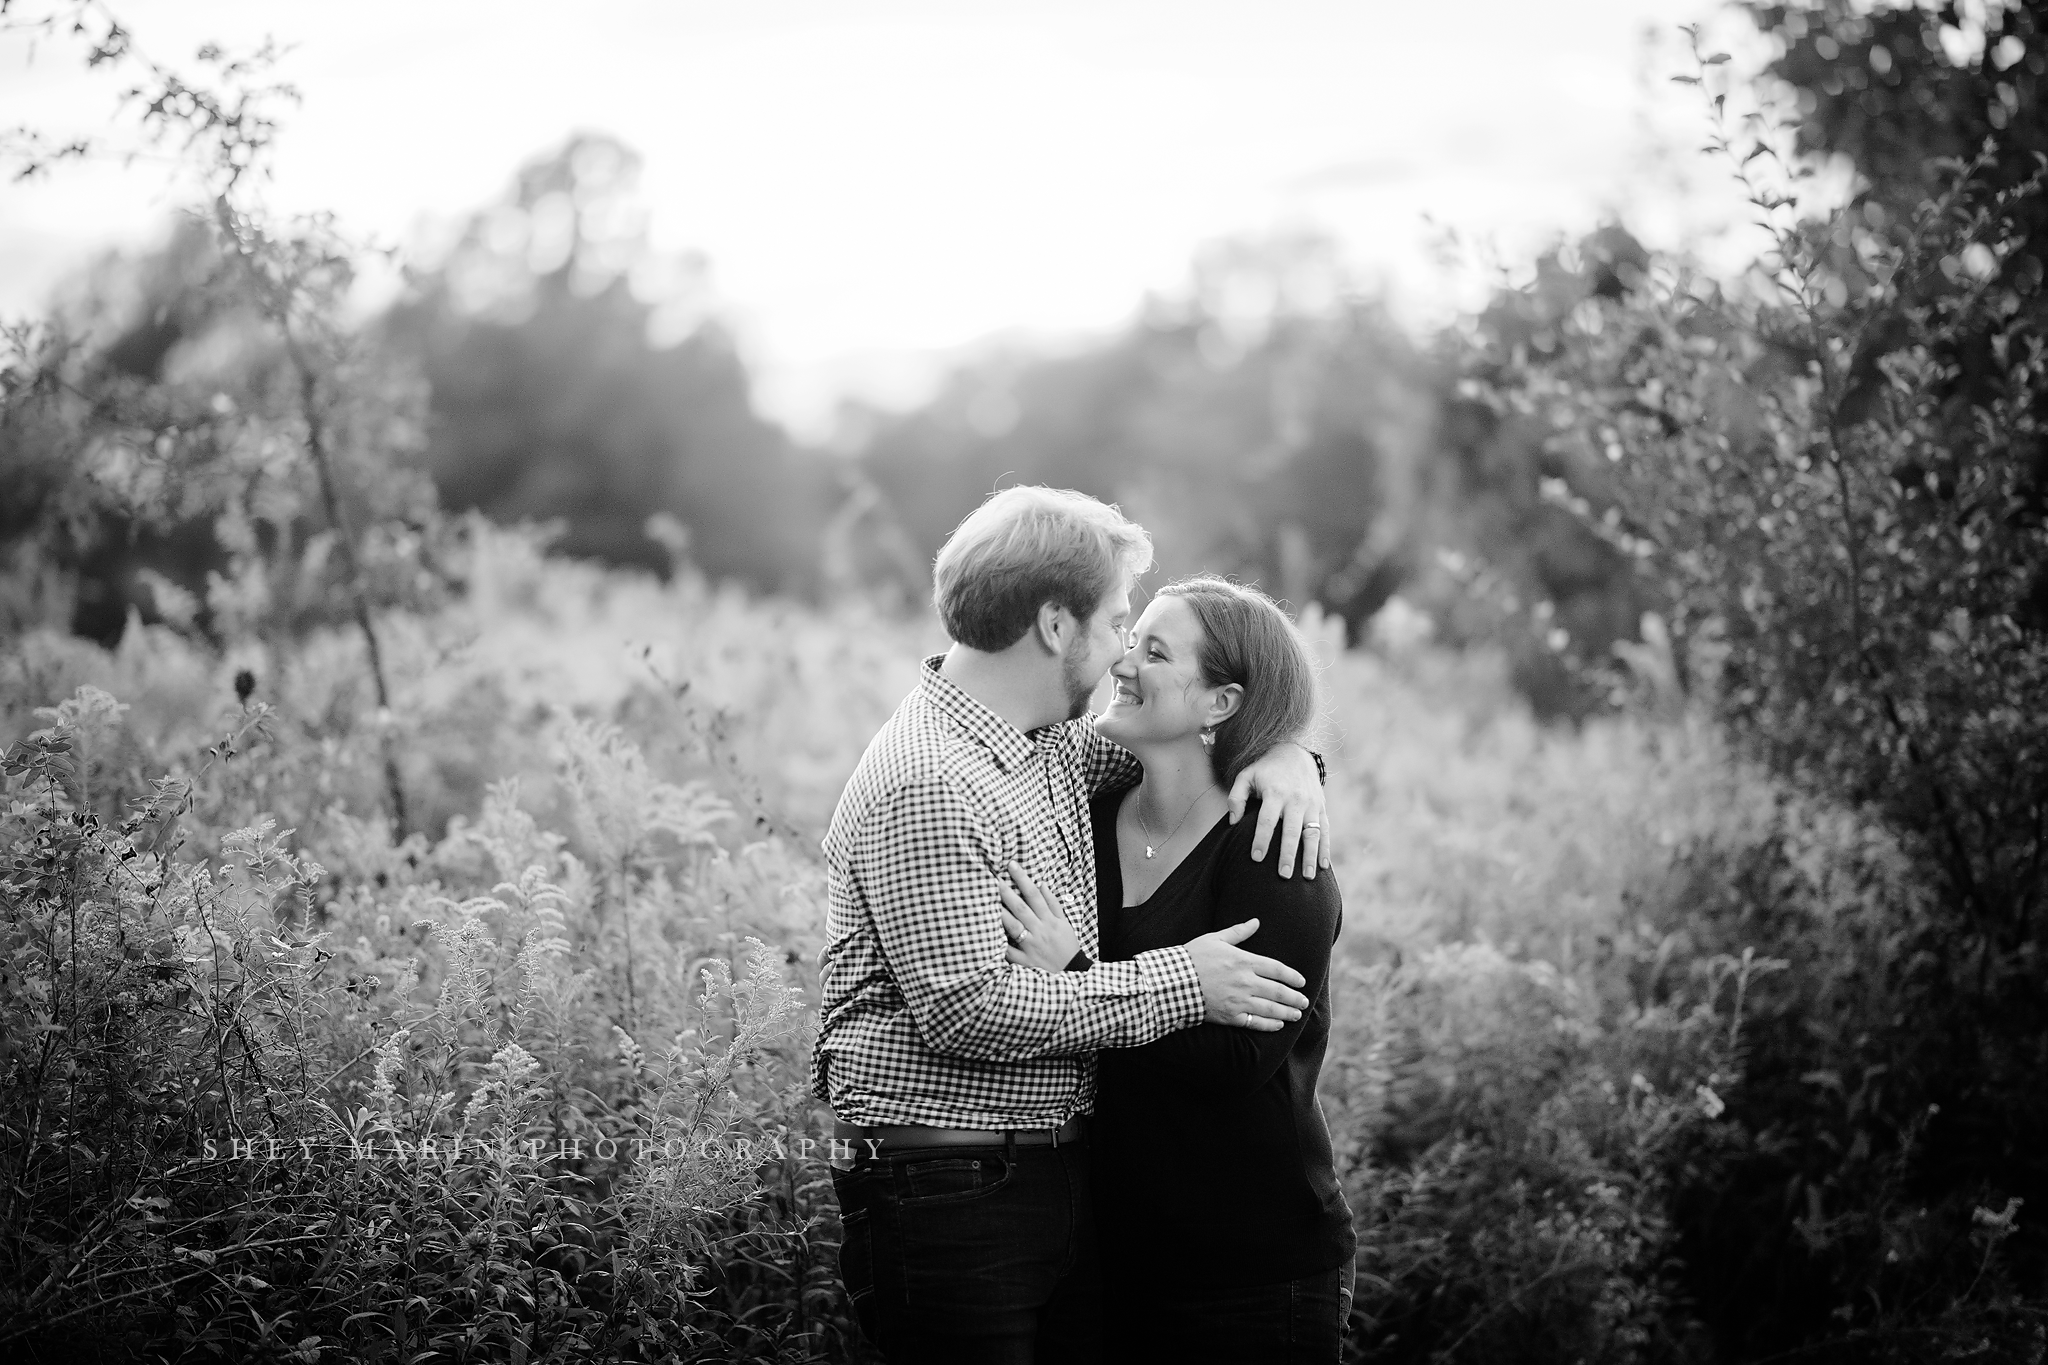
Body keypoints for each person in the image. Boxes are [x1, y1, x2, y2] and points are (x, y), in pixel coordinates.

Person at [814, 487, 1333, 1365]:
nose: (1124, 648)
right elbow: (969, 1009)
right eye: (1120, 620)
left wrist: (1291, 755)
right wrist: (1183, 981)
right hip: (953, 1185)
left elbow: (1206, 746)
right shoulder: (932, 780)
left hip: (1056, 1180)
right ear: (1058, 626)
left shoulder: (1046, 742)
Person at [1001, 575, 1355, 1363]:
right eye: (1132, 640)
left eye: (1154, 651)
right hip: (1111, 1259)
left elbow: (1236, 1061)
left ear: (1219, 704)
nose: (1123, 662)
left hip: (1254, 1268)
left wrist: (1080, 973)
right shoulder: (1087, 818)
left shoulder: (1272, 847)